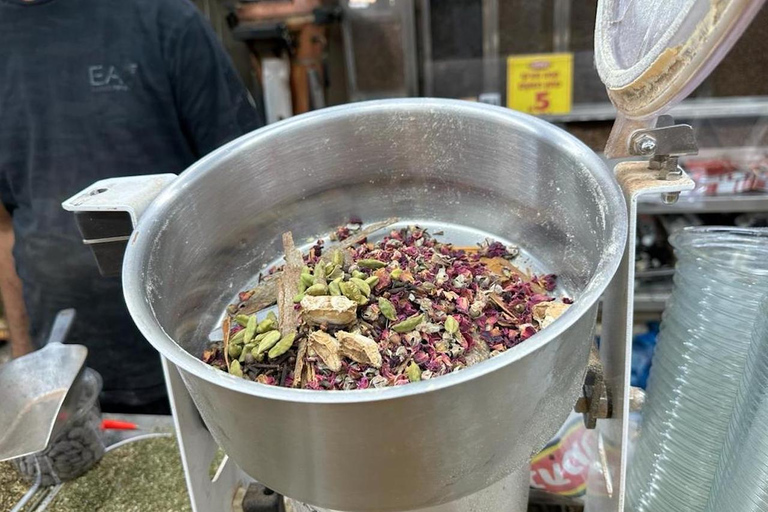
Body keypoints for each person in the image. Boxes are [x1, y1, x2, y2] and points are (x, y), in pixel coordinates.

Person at [0, 0, 263, 413]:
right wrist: (25, 360)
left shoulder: (163, 18)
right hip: (62, 366)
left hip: (196, 353)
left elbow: (246, 192)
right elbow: (4, 227)